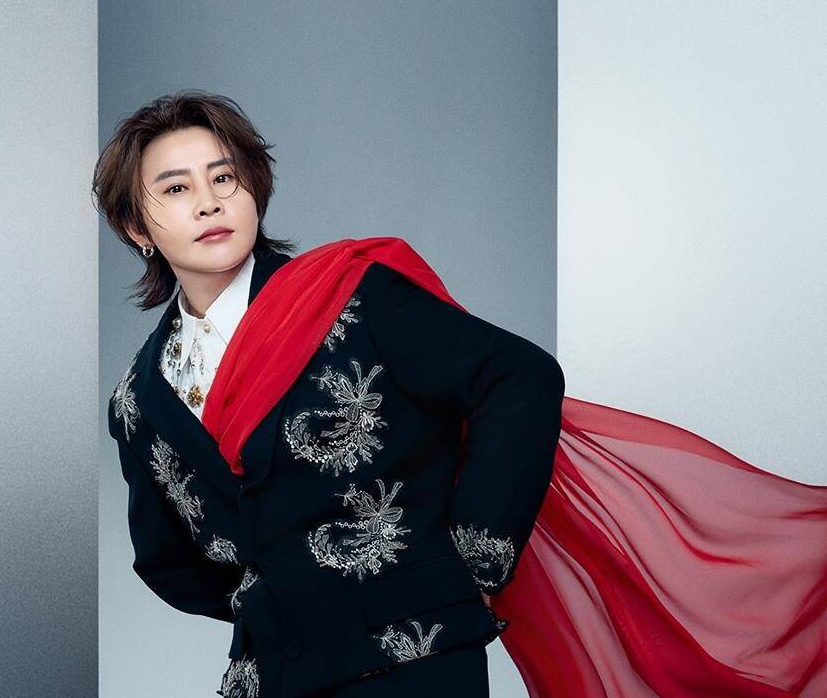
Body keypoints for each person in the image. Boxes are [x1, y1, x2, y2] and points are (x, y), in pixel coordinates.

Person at [94, 92, 826, 698]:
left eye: (224, 178)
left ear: (253, 189)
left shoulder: (352, 296)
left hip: (412, 652)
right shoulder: (138, 399)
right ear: (136, 225)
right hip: (271, 675)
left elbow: (519, 379)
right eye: (176, 189)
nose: (209, 203)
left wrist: (469, 563)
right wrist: (279, 596)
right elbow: (165, 560)